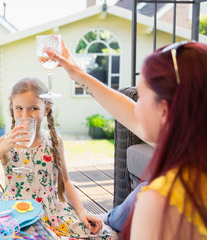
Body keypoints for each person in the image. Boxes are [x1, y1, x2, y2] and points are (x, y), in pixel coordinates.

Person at [48, 41, 207, 239]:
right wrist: (78, 75)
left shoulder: (158, 204)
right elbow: (131, 114)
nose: (136, 106)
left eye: (140, 97)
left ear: (165, 111)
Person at [0, 77, 117, 239]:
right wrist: (2, 148)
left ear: (46, 109)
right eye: (19, 108)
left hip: (51, 211)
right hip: (17, 214)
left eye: (33, 108)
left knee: (108, 235)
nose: (25, 115)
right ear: (12, 108)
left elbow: (65, 181)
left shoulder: (54, 140)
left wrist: (81, 211)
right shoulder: (4, 143)